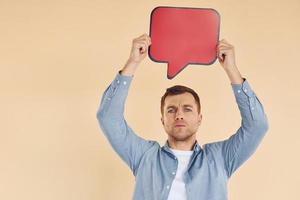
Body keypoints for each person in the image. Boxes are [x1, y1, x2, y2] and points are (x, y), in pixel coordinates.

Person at [96, 33, 269, 200]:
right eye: (171, 110)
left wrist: (232, 70)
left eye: (187, 109)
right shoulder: (144, 156)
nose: (179, 115)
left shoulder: (220, 158)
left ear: (199, 118)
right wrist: (132, 62)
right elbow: (108, 118)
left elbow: (257, 126)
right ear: (163, 120)